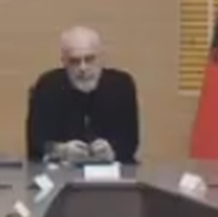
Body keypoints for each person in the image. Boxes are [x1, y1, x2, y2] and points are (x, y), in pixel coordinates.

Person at [26, 26, 140, 164]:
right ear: (63, 62)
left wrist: (112, 151)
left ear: (101, 58)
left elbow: (130, 141)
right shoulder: (48, 86)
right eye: (74, 61)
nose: (83, 68)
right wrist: (61, 150)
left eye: (90, 59)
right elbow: (36, 144)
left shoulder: (121, 85)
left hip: (111, 170)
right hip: (62, 170)